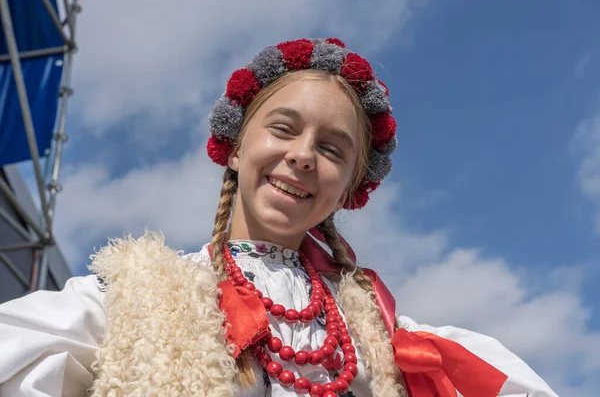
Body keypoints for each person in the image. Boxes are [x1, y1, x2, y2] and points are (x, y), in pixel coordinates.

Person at [0, 38, 559, 397]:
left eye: (334, 150)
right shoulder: (138, 295)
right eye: (284, 129)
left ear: (347, 191)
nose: (303, 155)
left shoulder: (390, 344)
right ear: (237, 147)